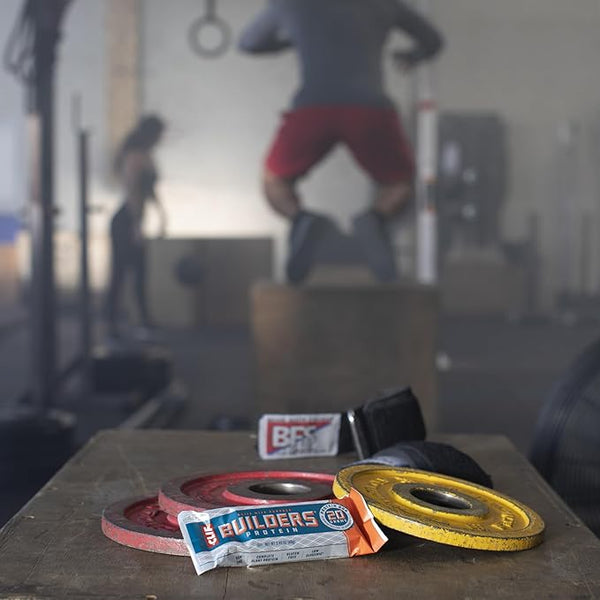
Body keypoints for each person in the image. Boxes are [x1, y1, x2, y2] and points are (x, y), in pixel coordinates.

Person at [239, 0, 444, 283]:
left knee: (274, 180)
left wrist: (292, 40)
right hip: (369, 109)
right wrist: (411, 57)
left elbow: (248, 43)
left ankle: (301, 220)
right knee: (400, 184)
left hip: (312, 108)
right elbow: (433, 41)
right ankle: (374, 220)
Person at [106, 115, 167, 339]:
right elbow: (132, 191)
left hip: (136, 219)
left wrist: (161, 215)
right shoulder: (134, 156)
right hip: (125, 221)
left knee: (140, 272)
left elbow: (150, 191)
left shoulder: (147, 156)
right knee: (121, 273)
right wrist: (135, 225)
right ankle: (113, 323)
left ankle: (143, 320)